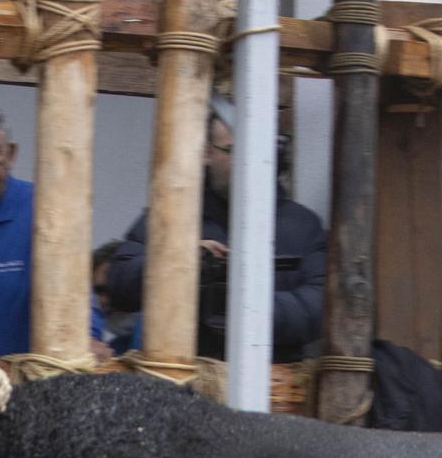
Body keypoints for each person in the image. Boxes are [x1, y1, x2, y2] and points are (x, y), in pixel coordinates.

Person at [102, 94, 325, 362]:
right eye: (234, 151)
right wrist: (179, 261)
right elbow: (120, 281)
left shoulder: (303, 224)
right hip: (180, 381)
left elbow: (321, 306)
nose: (249, 162)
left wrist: (248, 311)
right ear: (207, 153)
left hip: (273, 390)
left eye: (259, 150)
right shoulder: (172, 215)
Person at [0, 97, 106, 361]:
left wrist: (85, 338)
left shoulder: (44, 211)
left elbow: (77, 303)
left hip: (27, 388)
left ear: (11, 154)